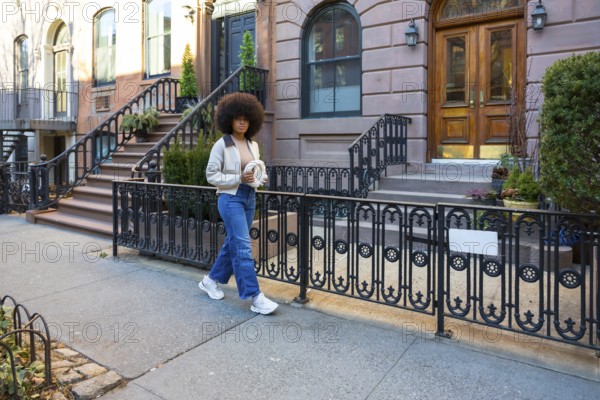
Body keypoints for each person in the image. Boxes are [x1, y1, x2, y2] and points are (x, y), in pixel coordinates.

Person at [199, 92, 278, 315]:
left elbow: (252, 170)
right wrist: (237, 179)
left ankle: (210, 281)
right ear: (229, 119)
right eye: (237, 118)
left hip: (249, 197)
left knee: (233, 242)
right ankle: (255, 297)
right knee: (243, 246)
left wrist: (260, 178)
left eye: (246, 118)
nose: (242, 121)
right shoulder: (221, 145)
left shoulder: (253, 145)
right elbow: (211, 175)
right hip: (230, 199)